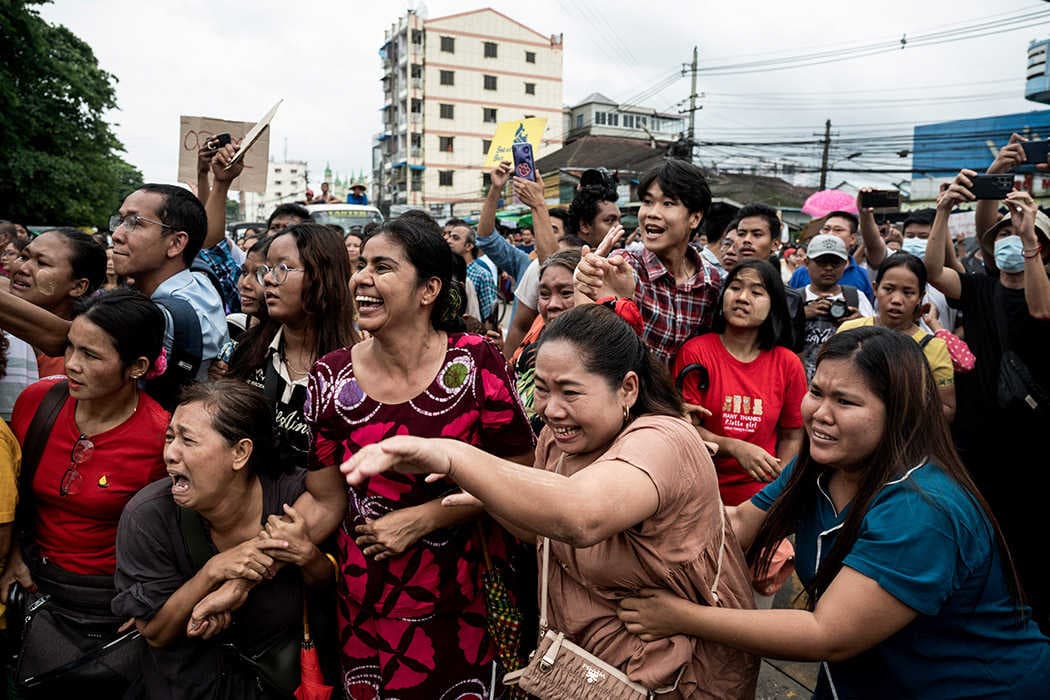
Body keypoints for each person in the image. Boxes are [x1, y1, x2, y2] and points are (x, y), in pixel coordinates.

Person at [341, 304, 761, 698]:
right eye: (541, 389)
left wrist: (453, 456)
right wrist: (493, 496)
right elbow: (541, 533)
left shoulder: (664, 440)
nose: (552, 409)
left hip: (672, 681)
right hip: (584, 673)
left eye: (570, 392)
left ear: (628, 389)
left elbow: (581, 517)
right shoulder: (557, 443)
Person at [619, 326, 1050, 699]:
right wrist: (632, 510)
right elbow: (737, 524)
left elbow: (826, 633)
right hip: (865, 681)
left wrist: (681, 617)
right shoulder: (820, 466)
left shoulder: (921, 510)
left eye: (845, 401)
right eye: (816, 392)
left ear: (899, 412)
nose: (819, 414)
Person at [304, 215, 536, 698]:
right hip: (365, 607)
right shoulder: (330, 377)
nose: (362, 278)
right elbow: (325, 499)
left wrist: (426, 518)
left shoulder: (474, 362)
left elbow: (523, 473)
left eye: (383, 267)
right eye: (362, 265)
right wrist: (260, 550)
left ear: (428, 289)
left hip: (465, 601)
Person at [113, 380, 332, 698]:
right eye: (170, 437)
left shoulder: (294, 500)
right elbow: (156, 633)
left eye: (188, 440)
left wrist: (308, 558)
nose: (170, 454)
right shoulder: (147, 517)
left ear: (240, 453)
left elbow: (331, 593)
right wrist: (212, 572)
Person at [0, 289, 169, 696]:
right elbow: (13, 493)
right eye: (70, 347)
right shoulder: (37, 403)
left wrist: (153, 600)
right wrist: (14, 555)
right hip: (36, 592)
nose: (72, 364)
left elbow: (174, 536)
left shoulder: (162, 437)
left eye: (91, 355)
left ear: (137, 367)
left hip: (111, 610)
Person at [926, 170, 1050, 632]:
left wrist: (1029, 237)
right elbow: (934, 271)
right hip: (977, 434)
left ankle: (1029, 619)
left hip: (1032, 439)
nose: (1010, 240)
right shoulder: (978, 288)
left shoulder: (1044, 291)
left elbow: (1040, 309)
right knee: (977, 524)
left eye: (1019, 232)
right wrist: (942, 212)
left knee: (1027, 533)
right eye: (1002, 234)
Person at [673, 260, 806, 507]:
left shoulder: (788, 364)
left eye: (756, 292)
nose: (742, 298)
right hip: (698, 491)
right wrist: (734, 447)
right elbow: (686, 428)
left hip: (759, 498)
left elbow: (792, 436)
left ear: (774, 304)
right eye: (735, 288)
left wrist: (778, 490)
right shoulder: (695, 352)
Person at [228, 223, 356, 473]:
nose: (267, 279)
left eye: (282, 268)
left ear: (322, 275)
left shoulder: (356, 369)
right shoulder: (248, 350)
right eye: (267, 269)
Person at [574, 159, 722, 367]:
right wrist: (596, 297)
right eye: (647, 201)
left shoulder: (710, 282)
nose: (651, 213)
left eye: (667, 203)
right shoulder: (623, 267)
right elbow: (591, 350)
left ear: (695, 218)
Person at [839, 253, 955, 420]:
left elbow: (947, 409)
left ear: (920, 297)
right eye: (888, 289)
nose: (896, 300)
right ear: (875, 288)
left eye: (908, 293)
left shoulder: (934, 348)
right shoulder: (849, 331)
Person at [0, 227, 106, 376]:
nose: (23, 268)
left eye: (42, 263)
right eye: (23, 257)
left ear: (78, 287)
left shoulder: (78, 362)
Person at [512, 249, 581, 433]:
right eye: (544, 294)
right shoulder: (529, 354)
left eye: (566, 293)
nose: (552, 305)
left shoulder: (603, 359)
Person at [799, 234, 874, 380]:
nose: (828, 268)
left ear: (845, 264)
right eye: (821, 262)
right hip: (800, 379)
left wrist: (861, 323)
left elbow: (875, 342)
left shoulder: (856, 297)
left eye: (835, 263)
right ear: (807, 262)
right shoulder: (794, 299)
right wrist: (799, 315)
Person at [789, 211, 875, 302]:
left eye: (838, 230)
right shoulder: (801, 274)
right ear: (807, 263)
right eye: (826, 229)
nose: (830, 234)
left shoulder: (863, 276)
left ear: (853, 238)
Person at [445, 222, 498, 323]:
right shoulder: (445, 269)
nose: (448, 240)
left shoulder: (481, 275)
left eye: (455, 238)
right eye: (449, 236)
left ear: (469, 246)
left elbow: (489, 315)